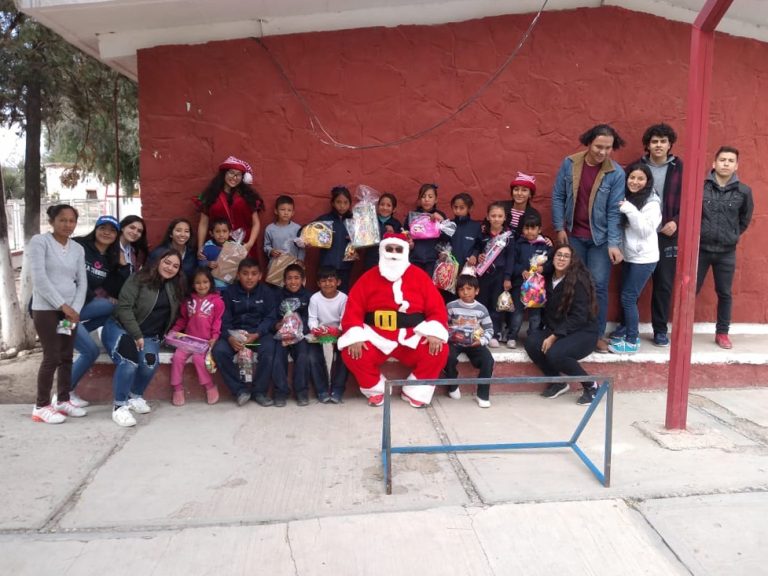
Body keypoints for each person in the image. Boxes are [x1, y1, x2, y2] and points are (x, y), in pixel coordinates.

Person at [338, 232, 449, 408]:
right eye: (389, 249)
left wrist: (434, 332)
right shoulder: (367, 278)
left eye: (398, 249)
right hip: (376, 335)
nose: (393, 253)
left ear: (405, 252)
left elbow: (437, 309)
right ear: (382, 251)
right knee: (351, 352)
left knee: (439, 350)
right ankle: (376, 389)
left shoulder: (420, 277)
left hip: (411, 336)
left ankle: (414, 390)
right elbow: (353, 309)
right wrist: (355, 336)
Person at [551, 124, 626, 352]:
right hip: (574, 235)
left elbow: (615, 211)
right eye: (599, 147)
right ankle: (571, 331)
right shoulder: (570, 163)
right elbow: (558, 196)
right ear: (589, 143)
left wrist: (614, 243)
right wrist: (559, 227)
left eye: (608, 148)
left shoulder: (616, 173)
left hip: (600, 240)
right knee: (573, 284)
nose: (603, 152)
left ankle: (596, 335)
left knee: (599, 287)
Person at [102, 249, 184, 427]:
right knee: (129, 360)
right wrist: (136, 334)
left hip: (149, 336)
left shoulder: (173, 286)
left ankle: (134, 396)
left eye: (175, 266)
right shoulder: (139, 279)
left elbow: (174, 315)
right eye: (167, 262)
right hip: (120, 328)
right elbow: (124, 307)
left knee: (149, 364)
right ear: (158, 261)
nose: (170, 268)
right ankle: (119, 406)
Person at [27, 204, 88, 424]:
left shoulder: (77, 249)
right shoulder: (40, 242)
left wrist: (75, 310)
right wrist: (64, 306)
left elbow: (82, 282)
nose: (67, 225)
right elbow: (40, 279)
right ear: (52, 221)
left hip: (69, 313)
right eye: (63, 220)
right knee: (51, 356)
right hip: (46, 310)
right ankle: (41, 406)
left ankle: (62, 400)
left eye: (72, 221)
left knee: (66, 355)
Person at [524, 244, 600, 405]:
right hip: (558, 329)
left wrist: (554, 336)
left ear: (572, 260)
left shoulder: (579, 281)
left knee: (555, 354)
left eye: (566, 256)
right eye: (559, 255)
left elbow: (579, 317)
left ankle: (591, 385)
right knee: (531, 342)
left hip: (583, 332)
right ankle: (558, 381)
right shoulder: (548, 277)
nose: (562, 258)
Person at [629, 123, 684, 347]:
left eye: (663, 141)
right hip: (639, 234)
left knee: (663, 284)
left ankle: (660, 330)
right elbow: (627, 195)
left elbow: (691, 199)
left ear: (670, 144)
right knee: (632, 284)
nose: (658, 145)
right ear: (648, 145)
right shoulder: (636, 167)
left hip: (667, 235)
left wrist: (676, 222)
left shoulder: (680, 168)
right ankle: (627, 325)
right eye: (654, 141)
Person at [696, 146, 754, 349]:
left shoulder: (744, 191)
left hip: (726, 252)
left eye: (730, 160)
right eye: (722, 160)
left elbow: (744, 220)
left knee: (725, 293)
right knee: (690, 290)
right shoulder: (700, 187)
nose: (726, 163)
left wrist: (732, 235)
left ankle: (722, 333)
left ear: (736, 166)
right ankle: (683, 331)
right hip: (701, 249)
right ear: (714, 163)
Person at [69, 215, 122, 405]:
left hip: (81, 308)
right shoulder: (78, 246)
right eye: (103, 228)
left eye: (112, 230)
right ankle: (64, 393)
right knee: (90, 351)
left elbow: (114, 284)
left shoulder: (109, 258)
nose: (107, 233)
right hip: (62, 309)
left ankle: (71, 332)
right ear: (95, 229)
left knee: (113, 307)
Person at [609, 164, 661, 354]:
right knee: (628, 296)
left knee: (628, 297)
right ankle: (626, 333)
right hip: (631, 257)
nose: (635, 182)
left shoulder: (651, 202)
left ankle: (632, 341)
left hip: (645, 259)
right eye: (632, 177)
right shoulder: (628, 197)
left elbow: (645, 229)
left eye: (640, 179)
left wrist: (628, 208)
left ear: (647, 182)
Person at [212, 258, 278, 406]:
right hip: (234, 335)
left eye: (254, 274)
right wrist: (229, 337)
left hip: (257, 334)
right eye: (245, 273)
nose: (249, 277)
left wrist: (257, 333)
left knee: (269, 349)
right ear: (238, 275)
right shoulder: (230, 292)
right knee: (219, 351)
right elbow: (222, 318)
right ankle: (240, 390)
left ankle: (260, 392)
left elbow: (270, 318)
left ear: (260, 276)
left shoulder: (266, 292)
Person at [168, 267, 224, 406]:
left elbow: (217, 321)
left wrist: (214, 337)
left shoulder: (217, 301)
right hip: (188, 341)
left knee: (199, 360)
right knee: (177, 358)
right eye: (198, 283)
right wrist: (174, 331)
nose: (202, 286)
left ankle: (209, 386)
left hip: (204, 343)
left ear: (211, 283)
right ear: (192, 285)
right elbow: (183, 319)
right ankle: (177, 388)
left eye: (205, 282)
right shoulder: (188, 301)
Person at [196, 156, 264, 261]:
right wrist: (200, 246)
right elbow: (203, 223)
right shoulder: (211, 196)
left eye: (238, 175)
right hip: (218, 244)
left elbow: (256, 223)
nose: (234, 177)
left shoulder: (247, 196)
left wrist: (249, 244)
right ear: (224, 174)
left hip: (243, 245)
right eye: (231, 173)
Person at [445, 275, 495, 408]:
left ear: (477, 291)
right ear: (457, 291)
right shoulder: (451, 307)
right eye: (461, 289)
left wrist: (482, 341)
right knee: (447, 357)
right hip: (455, 342)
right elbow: (443, 324)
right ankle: (452, 385)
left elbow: (489, 329)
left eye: (469, 288)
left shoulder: (481, 309)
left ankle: (482, 395)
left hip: (474, 343)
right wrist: (449, 336)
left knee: (488, 360)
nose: (465, 292)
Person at [503, 211, 550, 349]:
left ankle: (533, 337)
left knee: (535, 314)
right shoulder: (518, 244)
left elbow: (550, 263)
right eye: (526, 228)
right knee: (517, 313)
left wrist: (543, 269)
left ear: (539, 229)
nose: (529, 231)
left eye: (533, 228)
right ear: (522, 229)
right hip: (520, 284)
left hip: (538, 288)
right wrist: (521, 271)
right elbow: (512, 263)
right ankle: (512, 336)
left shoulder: (544, 246)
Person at [271, 264, 312, 406]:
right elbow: (272, 316)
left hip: (300, 336)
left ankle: (301, 392)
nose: (293, 282)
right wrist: (277, 325)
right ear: (284, 280)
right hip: (282, 335)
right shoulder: (277, 295)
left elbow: (310, 318)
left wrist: (300, 329)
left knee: (303, 356)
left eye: (296, 278)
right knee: (278, 357)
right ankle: (281, 392)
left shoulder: (308, 296)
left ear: (303, 280)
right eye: (289, 278)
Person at [308, 266, 349, 403]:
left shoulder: (344, 298)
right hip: (320, 334)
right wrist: (315, 330)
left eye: (331, 280)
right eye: (324, 281)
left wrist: (338, 331)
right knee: (313, 357)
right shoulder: (315, 298)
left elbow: (345, 318)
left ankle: (337, 389)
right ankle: (322, 390)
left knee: (345, 357)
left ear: (338, 282)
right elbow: (312, 318)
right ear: (319, 283)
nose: (327, 284)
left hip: (339, 334)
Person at [477, 202, 513, 347]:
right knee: (482, 303)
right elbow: (476, 250)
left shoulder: (508, 237)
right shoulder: (483, 235)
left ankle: (495, 332)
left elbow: (510, 258)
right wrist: (478, 256)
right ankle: (480, 331)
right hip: (484, 275)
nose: (496, 219)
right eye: (493, 216)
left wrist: (507, 277)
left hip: (500, 276)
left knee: (496, 305)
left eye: (500, 216)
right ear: (488, 217)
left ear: (505, 218)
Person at [311, 186, 354, 294]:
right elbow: (306, 233)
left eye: (346, 202)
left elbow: (367, 238)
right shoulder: (324, 220)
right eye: (338, 202)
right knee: (326, 294)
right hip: (327, 266)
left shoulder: (354, 221)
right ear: (333, 203)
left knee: (343, 296)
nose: (342, 206)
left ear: (350, 204)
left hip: (345, 267)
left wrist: (356, 238)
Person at [403, 183, 447, 278]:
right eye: (423, 196)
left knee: (429, 288)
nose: (426, 199)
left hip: (433, 259)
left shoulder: (439, 215)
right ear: (419, 199)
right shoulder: (413, 216)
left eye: (430, 197)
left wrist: (441, 221)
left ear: (436, 200)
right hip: (415, 258)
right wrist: (408, 243)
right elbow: (405, 234)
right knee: (414, 287)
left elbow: (447, 237)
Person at [263, 195, 305, 284]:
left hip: (293, 265)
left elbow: (301, 247)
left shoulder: (297, 228)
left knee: (291, 286)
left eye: (289, 210)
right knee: (276, 289)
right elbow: (266, 246)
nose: (286, 213)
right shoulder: (270, 229)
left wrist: (300, 260)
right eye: (282, 209)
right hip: (276, 265)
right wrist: (271, 251)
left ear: (293, 212)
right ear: (276, 211)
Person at [363, 193, 402, 271]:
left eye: (388, 205)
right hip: (371, 258)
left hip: (388, 260)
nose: (384, 208)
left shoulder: (396, 224)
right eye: (382, 204)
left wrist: (393, 234)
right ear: (377, 206)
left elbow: (400, 243)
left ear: (394, 209)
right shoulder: (371, 219)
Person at [447, 193, 481, 271]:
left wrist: (474, 255)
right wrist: (443, 254)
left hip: (468, 267)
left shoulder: (475, 226)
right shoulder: (448, 225)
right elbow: (443, 244)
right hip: (449, 267)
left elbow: (478, 245)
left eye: (462, 208)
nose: (458, 210)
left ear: (470, 208)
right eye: (455, 207)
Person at [198, 218, 234, 291]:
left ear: (230, 232)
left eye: (224, 231)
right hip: (213, 285)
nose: (221, 234)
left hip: (230, 285)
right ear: (211, 233)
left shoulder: (233, 247)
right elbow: (200, 262)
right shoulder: (207, 247)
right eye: (217, 231)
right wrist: (208, 263)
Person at [115, 214, 148, 290]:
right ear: (122, 227)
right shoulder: (111, 247)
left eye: (139, 231)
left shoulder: (134, 251)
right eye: (132, 228)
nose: (135, 232)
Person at [506, 172, 542, 238]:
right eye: (516, 190)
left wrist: (547, 239)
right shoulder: (502, 208)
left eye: (524, 190)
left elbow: (537, 234)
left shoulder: (533, 214)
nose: (519, 193)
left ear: (530, 194)